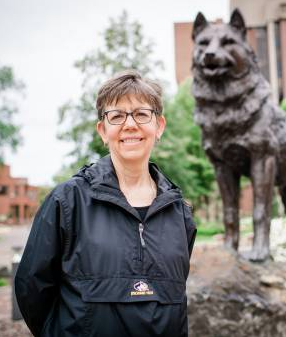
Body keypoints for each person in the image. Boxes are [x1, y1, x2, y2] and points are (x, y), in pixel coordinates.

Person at [15, 70, 197, 337]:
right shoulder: (66, 203)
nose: (130, 124)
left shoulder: (179, 212)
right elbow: (32, 291)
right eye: (117, 115)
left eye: (142, 114)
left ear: (159, 126)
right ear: (103, 130)